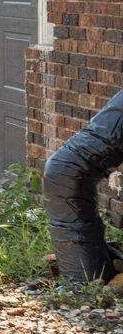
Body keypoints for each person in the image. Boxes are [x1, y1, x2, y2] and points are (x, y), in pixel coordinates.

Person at [41, 87, 123, 288]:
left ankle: (94, 273)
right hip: (68, 171)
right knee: (64, 172)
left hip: (67, 169)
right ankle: (87, 280)